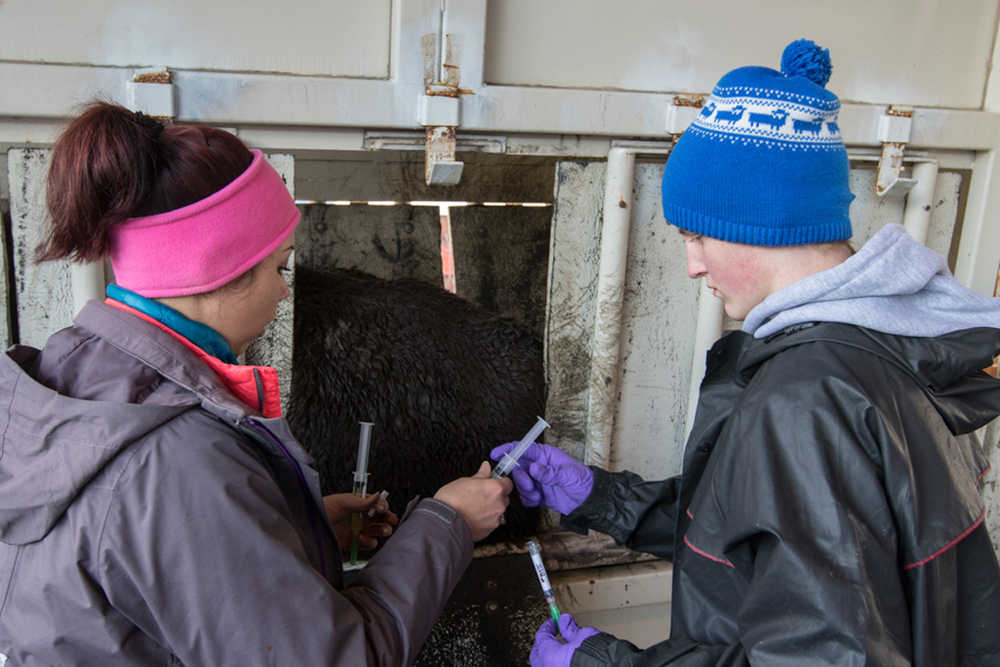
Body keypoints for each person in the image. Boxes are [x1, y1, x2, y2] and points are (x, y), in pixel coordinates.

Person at [494, 39, 1000, 666]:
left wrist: (602, 664)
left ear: (757, 222)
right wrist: (602, 499)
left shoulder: (807, 398)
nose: (692, 264)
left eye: (697, 235)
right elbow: (775, 537)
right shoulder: (889, 349)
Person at [0, 101, 513, 665]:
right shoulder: (181, 459)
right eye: (280, 268)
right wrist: (448, 524)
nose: (284, 292)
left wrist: (296, 526)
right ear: (215, 271)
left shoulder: (61, 383)